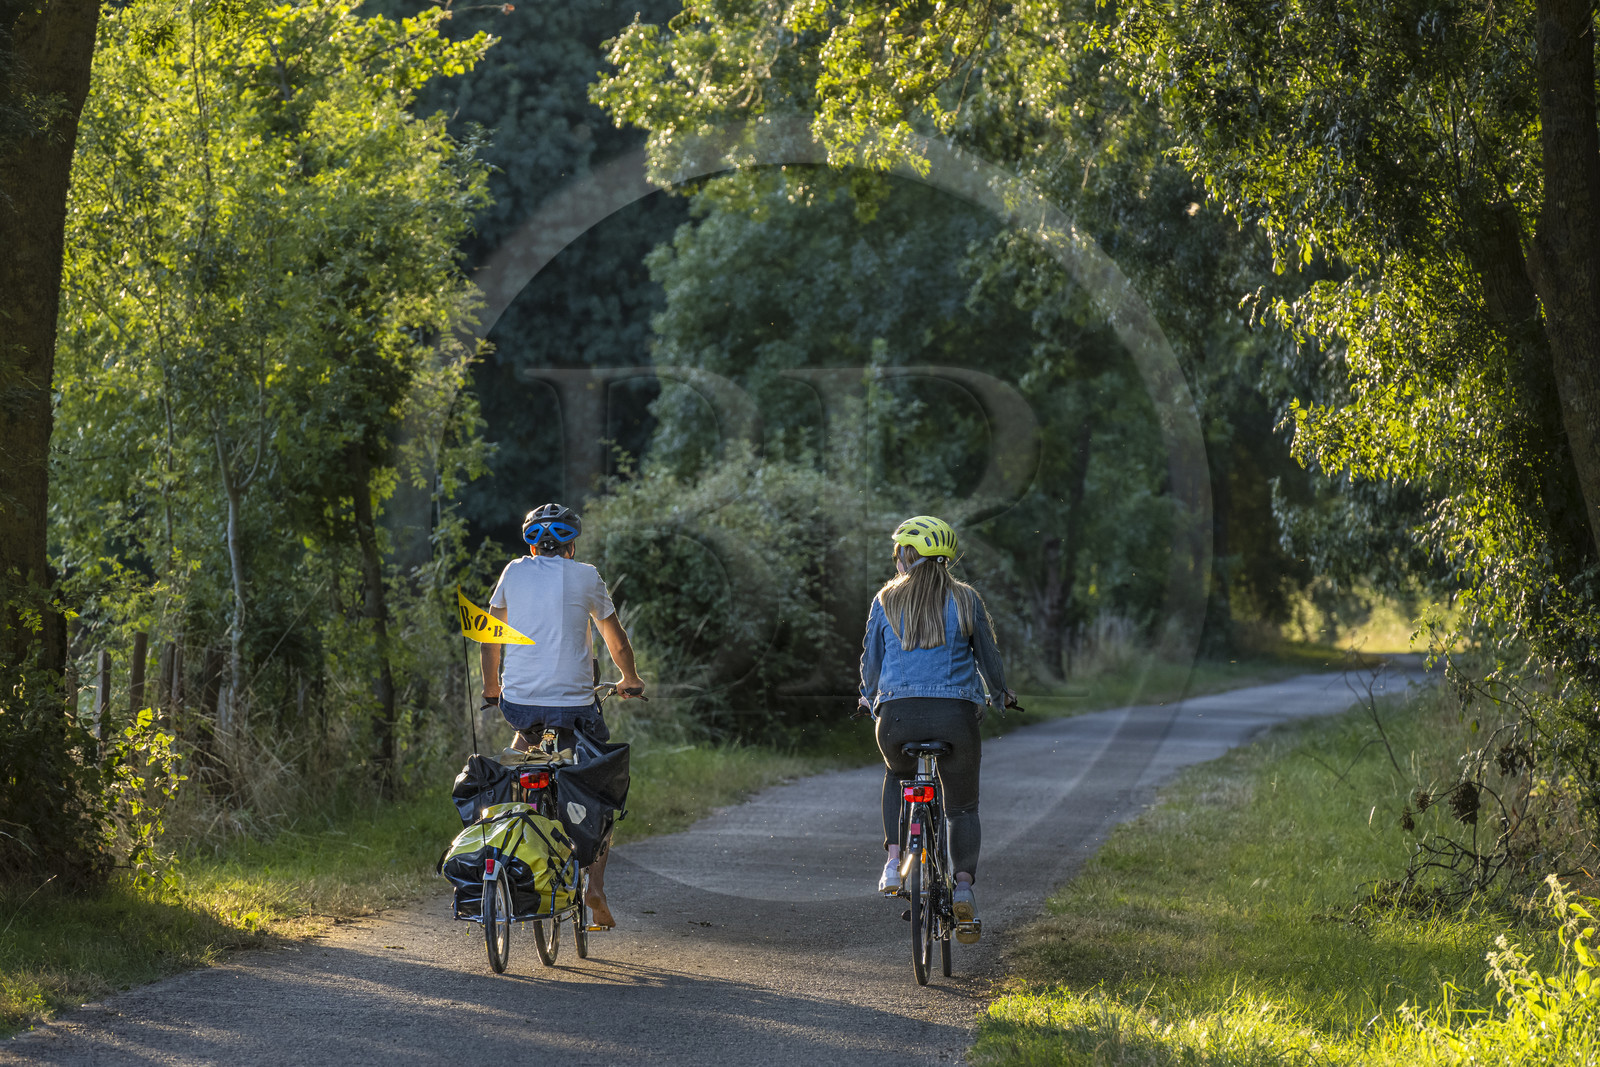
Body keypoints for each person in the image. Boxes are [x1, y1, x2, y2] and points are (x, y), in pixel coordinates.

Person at [480, 502, 644, 929]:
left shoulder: (513, 572)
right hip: (575, 706)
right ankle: (595, 889)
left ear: (532, 545)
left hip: (519, 704)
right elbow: (615, 638)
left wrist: (492, 689)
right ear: (571, 545)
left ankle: (504, 823)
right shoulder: (587, 576)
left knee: (520, 753)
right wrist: (630, 678)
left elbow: (488, 640)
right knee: (600, 789)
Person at [857, 514, 1015, 943]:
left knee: (898, 774)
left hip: (897, 719)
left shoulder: (885, 599)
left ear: (907, 555)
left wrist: (868, 696)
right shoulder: (966, 600)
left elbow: (871, 662)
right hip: (956, 719)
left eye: (898, 553)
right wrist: (1000, 695)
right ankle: (962, 888)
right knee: (961, 807)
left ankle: (894, 861)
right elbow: (989, 659)